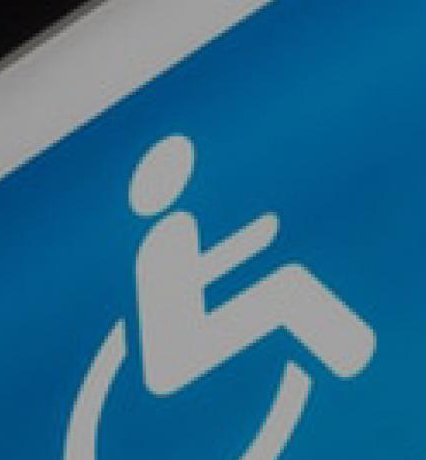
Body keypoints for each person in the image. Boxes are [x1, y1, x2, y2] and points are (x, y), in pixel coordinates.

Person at [129, 134, 376, 397]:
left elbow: (196, 278)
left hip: (188, 341)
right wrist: (251, 241)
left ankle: (351, 350)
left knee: (286, 284)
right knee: (287, 288)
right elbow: (190, 282)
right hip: (182, 351)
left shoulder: (170, 230)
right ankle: (351, 350)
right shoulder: (169, 233)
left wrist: (251, 240)